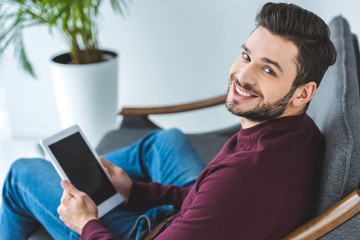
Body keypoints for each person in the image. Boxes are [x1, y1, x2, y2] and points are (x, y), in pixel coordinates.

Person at [0, 2, 336, 239]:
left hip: (145, 232)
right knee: (164, 140)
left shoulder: (246, 178)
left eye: (267, 69)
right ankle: (100, 184)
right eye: (246, 55)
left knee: (21, 173)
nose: (242, 76)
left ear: (303, 93)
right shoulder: (292, 132)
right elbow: (204, 198)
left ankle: (70, 189)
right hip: (189, 213)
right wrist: (135, 192)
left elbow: (222, 196)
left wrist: (86, 223)